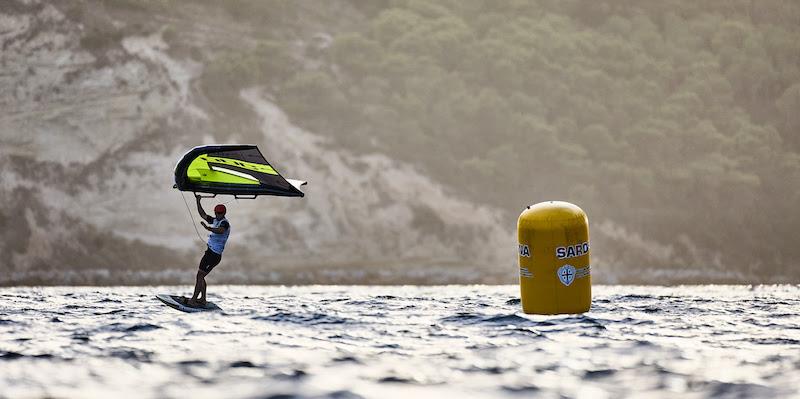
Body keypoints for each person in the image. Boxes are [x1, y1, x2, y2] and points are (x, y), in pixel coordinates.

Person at [185, 194, 231, 307]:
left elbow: (220, 230)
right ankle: (203, 299)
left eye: (220, 213)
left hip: (214, 255)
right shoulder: (215, 220)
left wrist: (208, 228)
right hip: (209, 252)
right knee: (200, 275)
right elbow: (203, 214)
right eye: (216, 212)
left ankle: (194, 300)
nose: (218, 214)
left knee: (200, 276)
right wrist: (198, 201)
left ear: (224, 213)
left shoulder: (224, 223)